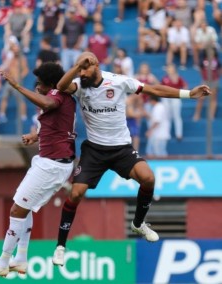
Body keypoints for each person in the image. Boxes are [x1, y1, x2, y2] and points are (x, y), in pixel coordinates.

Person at [51, 51, 211, 266]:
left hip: (121, 149)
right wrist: (77, 67)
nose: (82, 73)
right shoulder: (80, 85)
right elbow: (61, 87)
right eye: (79, 69)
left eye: (85, 68)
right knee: (76, 193)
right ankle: (61, 246)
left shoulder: (118, 82)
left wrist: (188, 94)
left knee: (149, 178)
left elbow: (153, 89)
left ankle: (138, 223)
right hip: (95, 150)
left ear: (96, 65)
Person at [0, 62, 77, 279]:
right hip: (48, 161)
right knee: (26, 207)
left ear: (51, 84)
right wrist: (36, 136)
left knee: (16, 210)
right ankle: (21, 258)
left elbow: (49, 104)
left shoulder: (58, 95)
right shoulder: (58, 98)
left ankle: (3, 261)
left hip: (53, 164)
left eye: (40, 85)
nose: (37, 87)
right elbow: (55, 122)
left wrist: (16, 85)